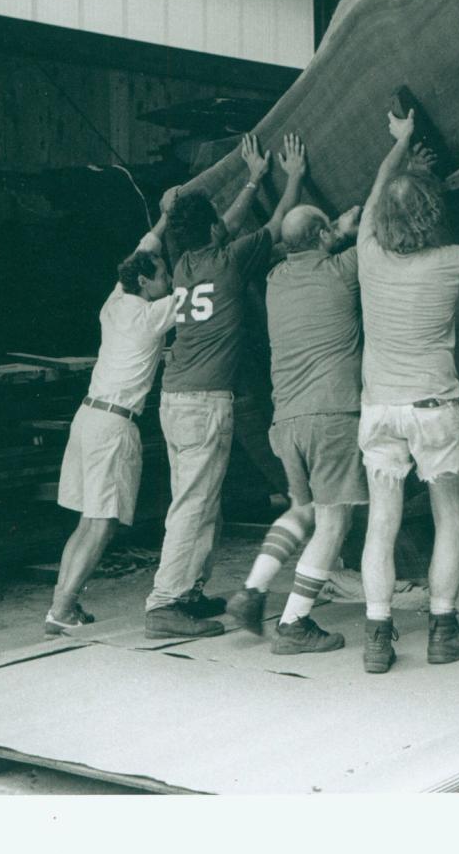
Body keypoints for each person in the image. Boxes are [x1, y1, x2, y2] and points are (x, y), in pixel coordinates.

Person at [355, 108, 459, 674]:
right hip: (434, 409)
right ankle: (443, 629)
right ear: (432, 218)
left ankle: (378, 636)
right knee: (450, 518)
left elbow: (377, 193)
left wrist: (398, 144)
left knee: (382, 522)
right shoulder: (450, 262)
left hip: (379, 409)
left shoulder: (366, 255)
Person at [143, 134, 306, 639]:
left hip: (176, 398)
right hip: (203, 403)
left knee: (197, 500)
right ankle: (164, 602)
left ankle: (187, 591)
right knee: (192, 504)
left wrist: (256, 178)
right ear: (213, 230)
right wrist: (292, 175)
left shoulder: (188, 262)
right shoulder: (229, 261)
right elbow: (278, 225)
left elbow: (226, 223)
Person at [224, 199, 366, 654]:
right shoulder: (343, 269)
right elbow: (377, 220)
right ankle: (294, 624)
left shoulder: (274, 279)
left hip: (286, 421)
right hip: (332, 416)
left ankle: (253, 589)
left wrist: (332, 229)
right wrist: (344, 230)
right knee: (333, 522)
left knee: (303, 510)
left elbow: (307, 241)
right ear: (325, 237)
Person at [45, 210, 179, 636]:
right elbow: (209, 285)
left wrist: (164, 217)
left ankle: (61, 606)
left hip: (88, 417)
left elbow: (144, 249)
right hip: (115, 425)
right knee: (102, 523)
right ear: (145, 282)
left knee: (87, 519)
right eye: (163, 276)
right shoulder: (150, 314)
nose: (169, 281)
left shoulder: (115, 302)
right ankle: (63, 609)